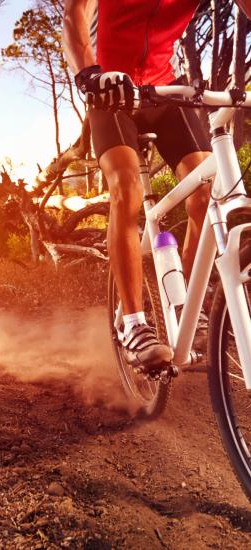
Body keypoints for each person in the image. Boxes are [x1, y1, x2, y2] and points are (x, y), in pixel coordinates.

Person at [63, 0, 251, 372]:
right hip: (112, 91)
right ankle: (134, 324)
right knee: (126, 186)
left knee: (206, 190)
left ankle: (185, 308)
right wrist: (89, 75)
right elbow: (74, 16)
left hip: (165, 90)